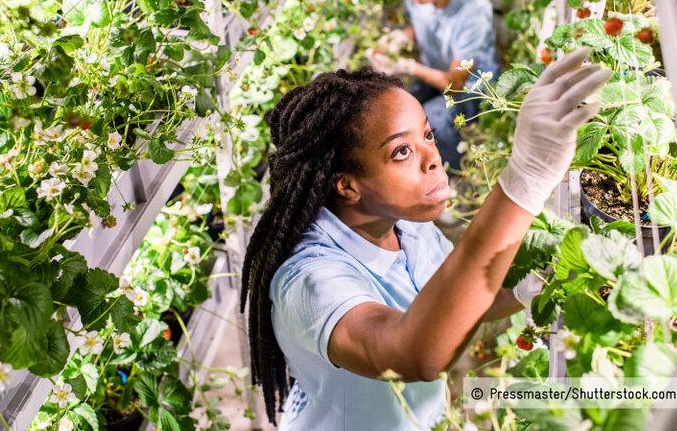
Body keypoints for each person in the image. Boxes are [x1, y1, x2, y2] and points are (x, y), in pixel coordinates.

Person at [240, 48, 609, 430]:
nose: (432, 157)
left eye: (427, 135)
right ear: (347, 185)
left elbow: (452, 305)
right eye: (401, 151)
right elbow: (412, 355)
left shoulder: (408, 227)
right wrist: (525, 178)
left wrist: (523, 289)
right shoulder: (309, 282)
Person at [369, 0, 499, 172]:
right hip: (433, 71)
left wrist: (408, 66)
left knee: (432, 118)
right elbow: (423, 25)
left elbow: (455, 84)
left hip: (472, 86)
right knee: (400, 106)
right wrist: (402, 37)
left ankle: (451, 171)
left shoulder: (474, 12)